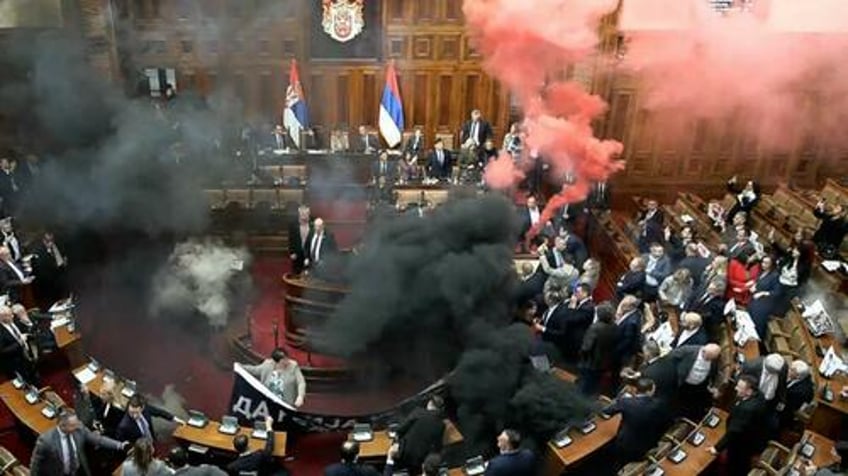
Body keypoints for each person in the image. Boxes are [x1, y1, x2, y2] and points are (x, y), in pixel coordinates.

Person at [30, 408, 128, 476]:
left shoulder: (79, 427)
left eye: (76, 423)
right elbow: (35, 464)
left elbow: (98, 439)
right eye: (73, 425)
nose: (77, 426)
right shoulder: (46, 441)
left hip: (79, 470)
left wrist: (119, 445)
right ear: (62, 426)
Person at [603, 378, 672, 468]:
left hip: (626, 443)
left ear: (636, 390)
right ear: (649, 391)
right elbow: (667, 422)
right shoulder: (659, 404)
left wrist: (621, 399)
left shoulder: (626, 402)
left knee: (620, 463)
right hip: (648, 443)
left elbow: (607, 411)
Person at [709, 374, 767, 476]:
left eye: (739, 387)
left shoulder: (747, 409)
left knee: (735, 467)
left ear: (749, 391)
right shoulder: (759, 395)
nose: (735, 388)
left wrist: (717, 448)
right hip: (751, 439)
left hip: (741, 444)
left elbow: (734, 431)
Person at [395, 395, 446, 471]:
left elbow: (400, 429)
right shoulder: (442, 425)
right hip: (421, 459)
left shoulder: (418, 412)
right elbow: (438, 446)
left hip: (404, 454)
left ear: (430, 403)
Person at [671, 343, 722, 420]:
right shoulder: (688, 350)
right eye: (708, 357)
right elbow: (672, 357)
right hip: (683, 384)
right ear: (703, 351)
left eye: (712, 358)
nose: (709, 360)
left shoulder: (714, 359)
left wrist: (714, 386)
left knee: (695, 408)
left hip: (699, 387)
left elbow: (715, 372)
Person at [241, 348, 306, 407]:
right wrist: (241, 366)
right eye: (285, 358)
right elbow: (254, 370)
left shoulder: (293, 366)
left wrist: (300, 396)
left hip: (285, 403)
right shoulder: (267, 364)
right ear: (279, 361)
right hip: (268, 402)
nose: (288, 360)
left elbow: (301, 382)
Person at [578, 302, 618, 395]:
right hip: (603, 363)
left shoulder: (595, 328)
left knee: (584, 388)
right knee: (594, 387)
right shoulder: (614, 327)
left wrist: (581, 357)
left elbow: (586, 348)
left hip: (590, 363)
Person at [115, 394, 182, 443]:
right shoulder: (123, 426)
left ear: (142, 408)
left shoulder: (146, 409)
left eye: (137, 413)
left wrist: (174, 418)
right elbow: (121, 442)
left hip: (151, 438)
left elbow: (158, 412)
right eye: (132, 413)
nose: (134, 416)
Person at [31, 231, 69, 307]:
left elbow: (64, 254)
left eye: (52, 240)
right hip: (52, 279)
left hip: (63, 271)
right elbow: (40, 270)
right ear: (43, 240)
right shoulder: (38, 252)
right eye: (48, 240)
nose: (50, 242)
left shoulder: (59, 244)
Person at [747, 254, 780, 339]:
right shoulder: (762, 271)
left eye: (766, 263)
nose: (763, 265)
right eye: (762, 262)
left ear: (771, 264)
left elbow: (776, 292)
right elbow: (760, 283)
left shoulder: (775, 276)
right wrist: (754, 285)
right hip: (755, 299)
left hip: (765, 303)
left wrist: (763, 293)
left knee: (756, 322)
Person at [0, 304, 34, 380]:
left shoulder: (13, 319)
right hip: (15, 362)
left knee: (34, 374)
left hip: (27, 354)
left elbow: (24, 328)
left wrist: (27, 323)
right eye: (8, 315)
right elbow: (2, 351)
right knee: (26, 380)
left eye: (12, 314)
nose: (12, 316)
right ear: (1, 318)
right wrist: (19, 342)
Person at [778, 360, 815, 430]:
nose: (789, 370)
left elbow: (785, 407)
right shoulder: (804, 376)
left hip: (785, 413)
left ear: (798, 376)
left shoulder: (797, 392)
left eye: (792, 370)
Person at [613, 295, 642, 372]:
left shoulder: (632, 322)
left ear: (630, 306)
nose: (621, 306)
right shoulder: (632, 313)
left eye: (624, 305)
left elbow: (627, 341)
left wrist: (614, 350)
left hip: (623, 355)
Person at [287, 205, 312, 274]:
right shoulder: (293, 225)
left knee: (308, 276)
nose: (304, 215)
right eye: (302, 213)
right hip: (297, 255)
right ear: (299, 214)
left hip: (309, 255)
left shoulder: (312, 225)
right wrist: (291, 253)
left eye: (305, 213)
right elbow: (291, 240)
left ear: (309, 214)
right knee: (296, 275)